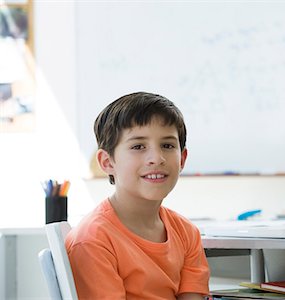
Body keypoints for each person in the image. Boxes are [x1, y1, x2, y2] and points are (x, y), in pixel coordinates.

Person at [65, 92, 210, 299]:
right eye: (138, 146)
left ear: (182, 158)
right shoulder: (93, 240)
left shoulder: (187, 233)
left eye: (167, 145)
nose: (156, 158)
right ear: (107, 162)